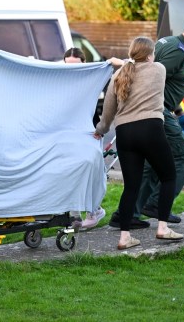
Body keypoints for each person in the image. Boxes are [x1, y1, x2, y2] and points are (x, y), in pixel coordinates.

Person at [109, 21, 184, 228]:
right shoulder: (176, 52)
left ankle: (127, 215)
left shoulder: (170, 43)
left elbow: (164, 83)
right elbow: (149, 77)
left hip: (159, 111)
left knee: (150, 165)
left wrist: (179, 111)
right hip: (156, 112)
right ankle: (156, 204)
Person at [95, 37, 182, 250]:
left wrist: (100, 131)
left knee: (131, 186)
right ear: (151, 54)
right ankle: (162, 227)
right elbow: (143, 65)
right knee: (169, 176)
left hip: (124, 133)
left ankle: (124, 237)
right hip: (150, 129)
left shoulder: (118, 75)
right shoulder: (158, 69)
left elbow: (108, 113)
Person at [63, 47, 106, 230]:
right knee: (68, 171)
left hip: (90, 131)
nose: (72, 69)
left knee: (91, 171)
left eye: (76, 65)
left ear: (84, 64)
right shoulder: (59, 80)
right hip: (67, 132)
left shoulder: (92, 80)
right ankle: (74, 214)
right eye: (68, 65)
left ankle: (94, 209)